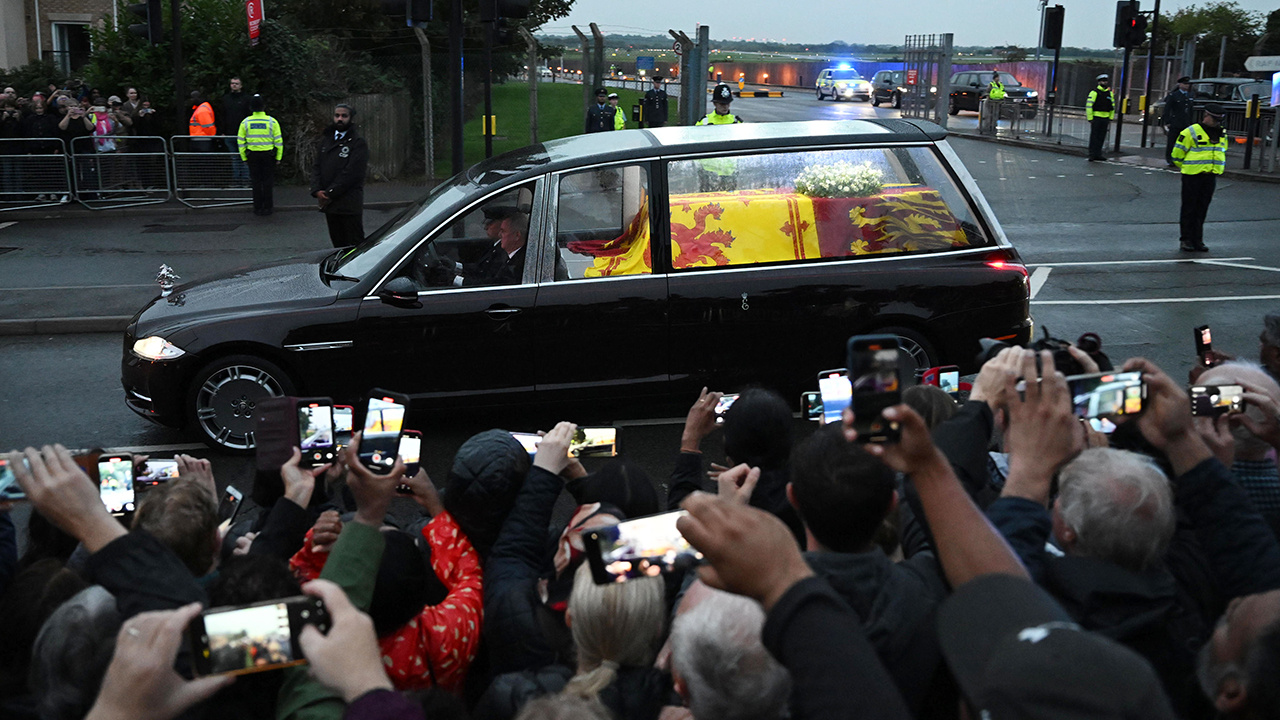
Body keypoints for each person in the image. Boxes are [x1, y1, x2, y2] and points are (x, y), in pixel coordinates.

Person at [310, 103, 368, 249]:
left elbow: (352, 173)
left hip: (348, 204)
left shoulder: (358, 142)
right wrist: (317, 191)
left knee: (355, 247)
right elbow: (317, 167)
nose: (340, 119)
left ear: (351, 118)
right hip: (330, 205)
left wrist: (329, 193)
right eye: (337, 115)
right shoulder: (326, 140)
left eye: (344, 116)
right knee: (338, 246)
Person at [1172, 103, 1227, 253]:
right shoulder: (1191, 132)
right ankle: (1186, 240)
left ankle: (1198, 240)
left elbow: (1221, 151)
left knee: (1202, 209)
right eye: (1214, 120)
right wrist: (1188, 167)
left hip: (1210, 175)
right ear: (1206, 116)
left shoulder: (1221, 133)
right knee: (1189, 209)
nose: (1217, 123)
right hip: (1192, 175)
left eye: (1219, 121)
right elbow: (1177, 155)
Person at [238, 94, 283, 216]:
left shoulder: (245, 122)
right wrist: (278, 157)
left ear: (251, 107)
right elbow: (278, 141)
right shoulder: (272, 121)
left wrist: (244, 157)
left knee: (256, 182)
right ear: (264, 106)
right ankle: (268, 208)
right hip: (268, 155)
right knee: (268, 182)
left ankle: (258, 208)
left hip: (252, 155)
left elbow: (241, 142)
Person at [220, 77, 250, 183]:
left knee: (243, 158)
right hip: (230, 133)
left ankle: (245, 180)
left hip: (243, 134)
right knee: (235, 158)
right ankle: (237, 180)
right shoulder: (226, 99)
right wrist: (223, 131)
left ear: (241, 85)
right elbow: (223, 115)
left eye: (236, 83)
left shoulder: (246, 99)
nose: (234, 85)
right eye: (232, 83)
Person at [1161, 76, 1194, 167]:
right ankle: (1170, 158)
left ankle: (1180, 158)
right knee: (1172, 141)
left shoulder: (1190, 95)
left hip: (1185, 122)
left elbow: (1190, 110)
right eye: (1185, 84)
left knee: (1184, 142)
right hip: (1175, 122)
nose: (1187, 86)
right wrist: (1167, 121)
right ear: (1180, 85)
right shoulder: (1174, 95)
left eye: (1188, 84)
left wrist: (1191, 121)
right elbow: (1167, 109)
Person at [1086, 74, 1115, 161]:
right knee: (1094, 136)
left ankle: (1098, 153)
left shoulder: (1110, 93)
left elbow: (1112, 106)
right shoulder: (1094, 92)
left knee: (1101, 136)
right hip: (1096, 117)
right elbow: (1089, 106)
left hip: (1105, 118)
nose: (1104, 83)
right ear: (1099, 82)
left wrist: (1111, 117)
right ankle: (1092, 154)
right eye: (1102, 81)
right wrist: (1090, 118)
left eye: (1105, 81)